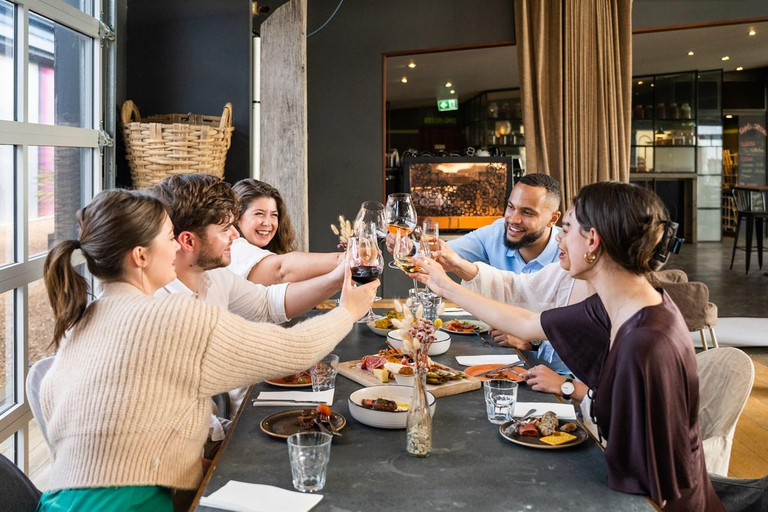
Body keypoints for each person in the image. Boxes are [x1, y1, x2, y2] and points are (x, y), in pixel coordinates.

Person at [38, 189, 377, 511]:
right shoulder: (171, 315)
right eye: (170, 238)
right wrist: (348, 310)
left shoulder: (81, 320)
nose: (176, 249)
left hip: (59, 501)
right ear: (140, 256)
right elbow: (294, 350)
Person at [412, 181, 723, 511]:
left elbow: (648, 474)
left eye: (566, 229)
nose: (558, 238)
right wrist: (444, 284)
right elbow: (526, 322)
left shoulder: (646, 342)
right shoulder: (616, 304)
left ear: (593, 240)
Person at [149, 173, 345, 412]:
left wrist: (336, 280)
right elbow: (289, 347)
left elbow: (267, 304)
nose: (234, 235)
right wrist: (348, 309)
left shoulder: (214, 275)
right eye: (224, 228)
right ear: (188, 242)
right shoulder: (160, 306)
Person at [230, 178, 341, 286]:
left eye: (274, 215)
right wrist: (343, 259)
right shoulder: (232, 247)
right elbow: (281, 271)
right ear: (236, 217)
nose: (267, 223)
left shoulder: (271, 252)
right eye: (259, 213)